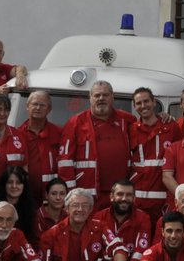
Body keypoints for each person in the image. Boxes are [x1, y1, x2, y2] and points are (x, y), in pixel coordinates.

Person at [56, 80, 132, 210]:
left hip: (120, 195)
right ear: (90, 98)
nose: (101, 98)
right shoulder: (75, 123)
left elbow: (146, 126)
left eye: (105, 95)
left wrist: (162, 117)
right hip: (88, 195)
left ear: (112, 97)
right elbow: (65, 162)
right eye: (97, 95)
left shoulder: (127, 120)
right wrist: (71, 195)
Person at [129, 87, 178, 220]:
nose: (143, 106)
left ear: (154, 102)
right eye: (139, 103)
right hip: (138, 200)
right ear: (134, 106)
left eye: (146, 101)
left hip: (163, 199)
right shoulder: (131, 130)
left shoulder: (171, 127)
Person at [89, 180, 154, 261]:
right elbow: (95, 249)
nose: (124, 198)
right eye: (120, 194)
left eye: (128, 195)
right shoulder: (99, 217)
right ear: (111, 197)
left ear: (134, 198)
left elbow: (141, 249)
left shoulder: (143, 218)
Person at [19, 88, 61, 203]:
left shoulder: (59, 133)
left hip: (52, 196)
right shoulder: (17, 134)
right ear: (27, 106)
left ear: (49, 109)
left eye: (42, 105)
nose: (38, 108)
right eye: (35, 104)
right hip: (24, 194)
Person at [0, 166, 37, 240]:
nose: (14, 186)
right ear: (4, 185)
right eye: (10, 182)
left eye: (18, 183)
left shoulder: (29, 208)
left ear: (24, 186)